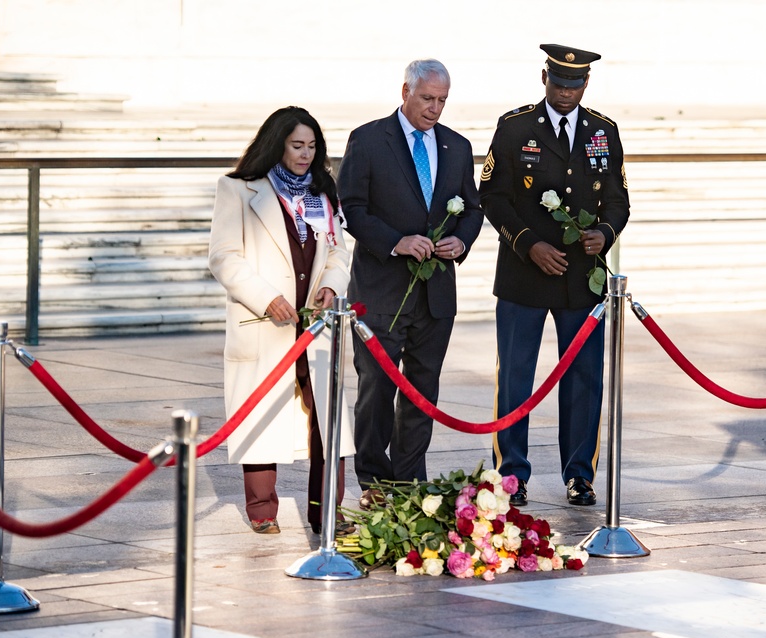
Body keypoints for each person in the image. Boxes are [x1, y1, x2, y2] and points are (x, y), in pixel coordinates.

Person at [479, 44, 630, 507]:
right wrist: (528, 243)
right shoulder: (515, 127)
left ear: (587, 84)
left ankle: (579, 475)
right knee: (517, 376)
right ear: (544, 77)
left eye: (575, 85)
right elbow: (492, 195)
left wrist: (603, 233)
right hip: (525, 275)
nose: (566, 93)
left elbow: (620, 202)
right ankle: (512, 474)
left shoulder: (603, 131)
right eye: (559, 83)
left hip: (581, 279)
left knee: (585, 377)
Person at [337, 59, 483, 506]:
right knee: (376, 390)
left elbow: (473, 209)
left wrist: (459, 241)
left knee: (423, 390)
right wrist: (397, 242)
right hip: (380, 291)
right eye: (427, 99)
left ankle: (408, 481)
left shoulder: (457, 146)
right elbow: (352, 207)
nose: (435, 109)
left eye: (442, 100)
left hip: (436, 294)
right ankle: (374, 481)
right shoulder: (368, 139)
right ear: (406, 91)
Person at [208, 106, 354, 536]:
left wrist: (331, 284)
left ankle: (328, 510)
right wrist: (265, 297)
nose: (305, 155)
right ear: (277, 144)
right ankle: (262, 509)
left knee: (328, 420)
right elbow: (223, 256)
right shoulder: (237, 189)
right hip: (265, 321)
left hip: (315, 322)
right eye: (296, 146)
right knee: (261, 415)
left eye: (312, 146)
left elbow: (339, 251)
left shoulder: (323, 192)